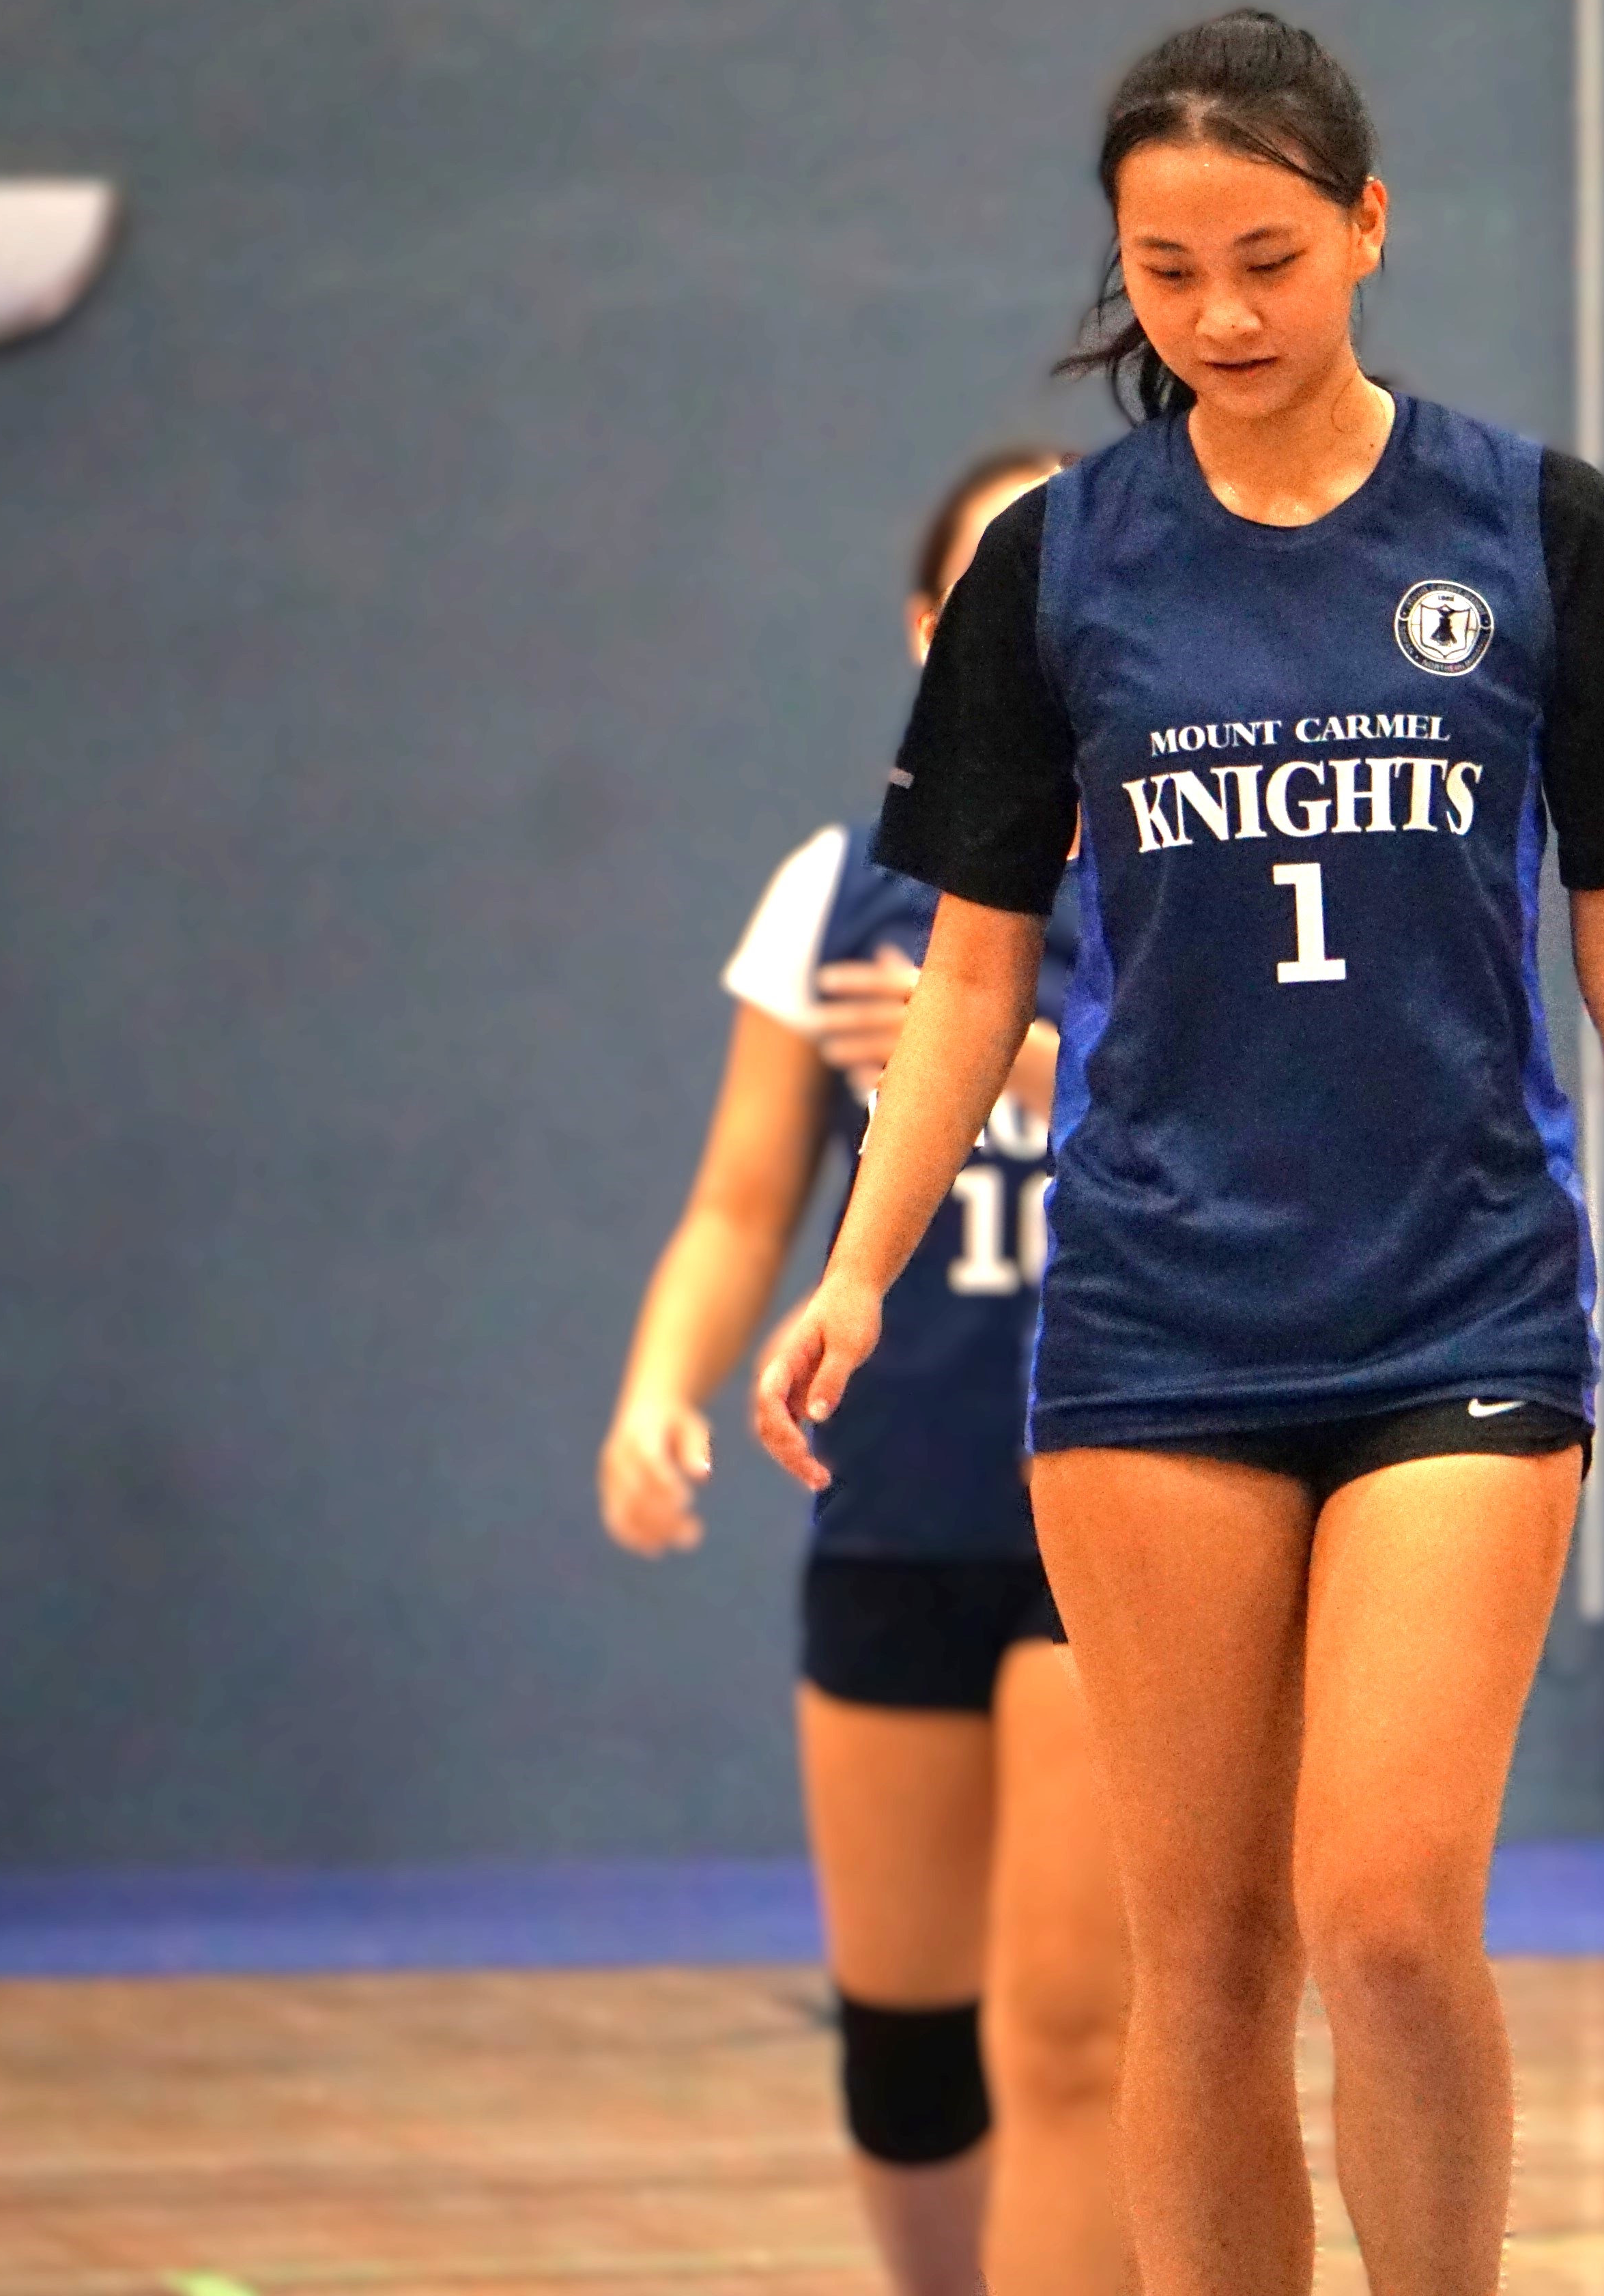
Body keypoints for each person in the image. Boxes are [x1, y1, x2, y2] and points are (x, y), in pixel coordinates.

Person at [752, 7, 1604, 2296]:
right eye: (1169, 268)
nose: (1219, 315)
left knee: (1387, 1910)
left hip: (1462, 1303)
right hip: (1158, 1315)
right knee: (1200, 1955)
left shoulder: (1533, 529)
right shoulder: (1060, 571)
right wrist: (856, 1265)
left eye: (1270, 260)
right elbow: (981, 975)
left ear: (1370, 229)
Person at [600, 446, 1128, 2296]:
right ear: (932, 632)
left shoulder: (1207, 870)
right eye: (1001, 587)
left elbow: (1294, 1122)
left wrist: (1020, 1061)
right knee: (906, 2041)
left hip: (1123, 1507)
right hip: (897, 1501)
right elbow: (747, 1201)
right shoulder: (839, 886)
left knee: (1071, 2038)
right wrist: (661, 1383)